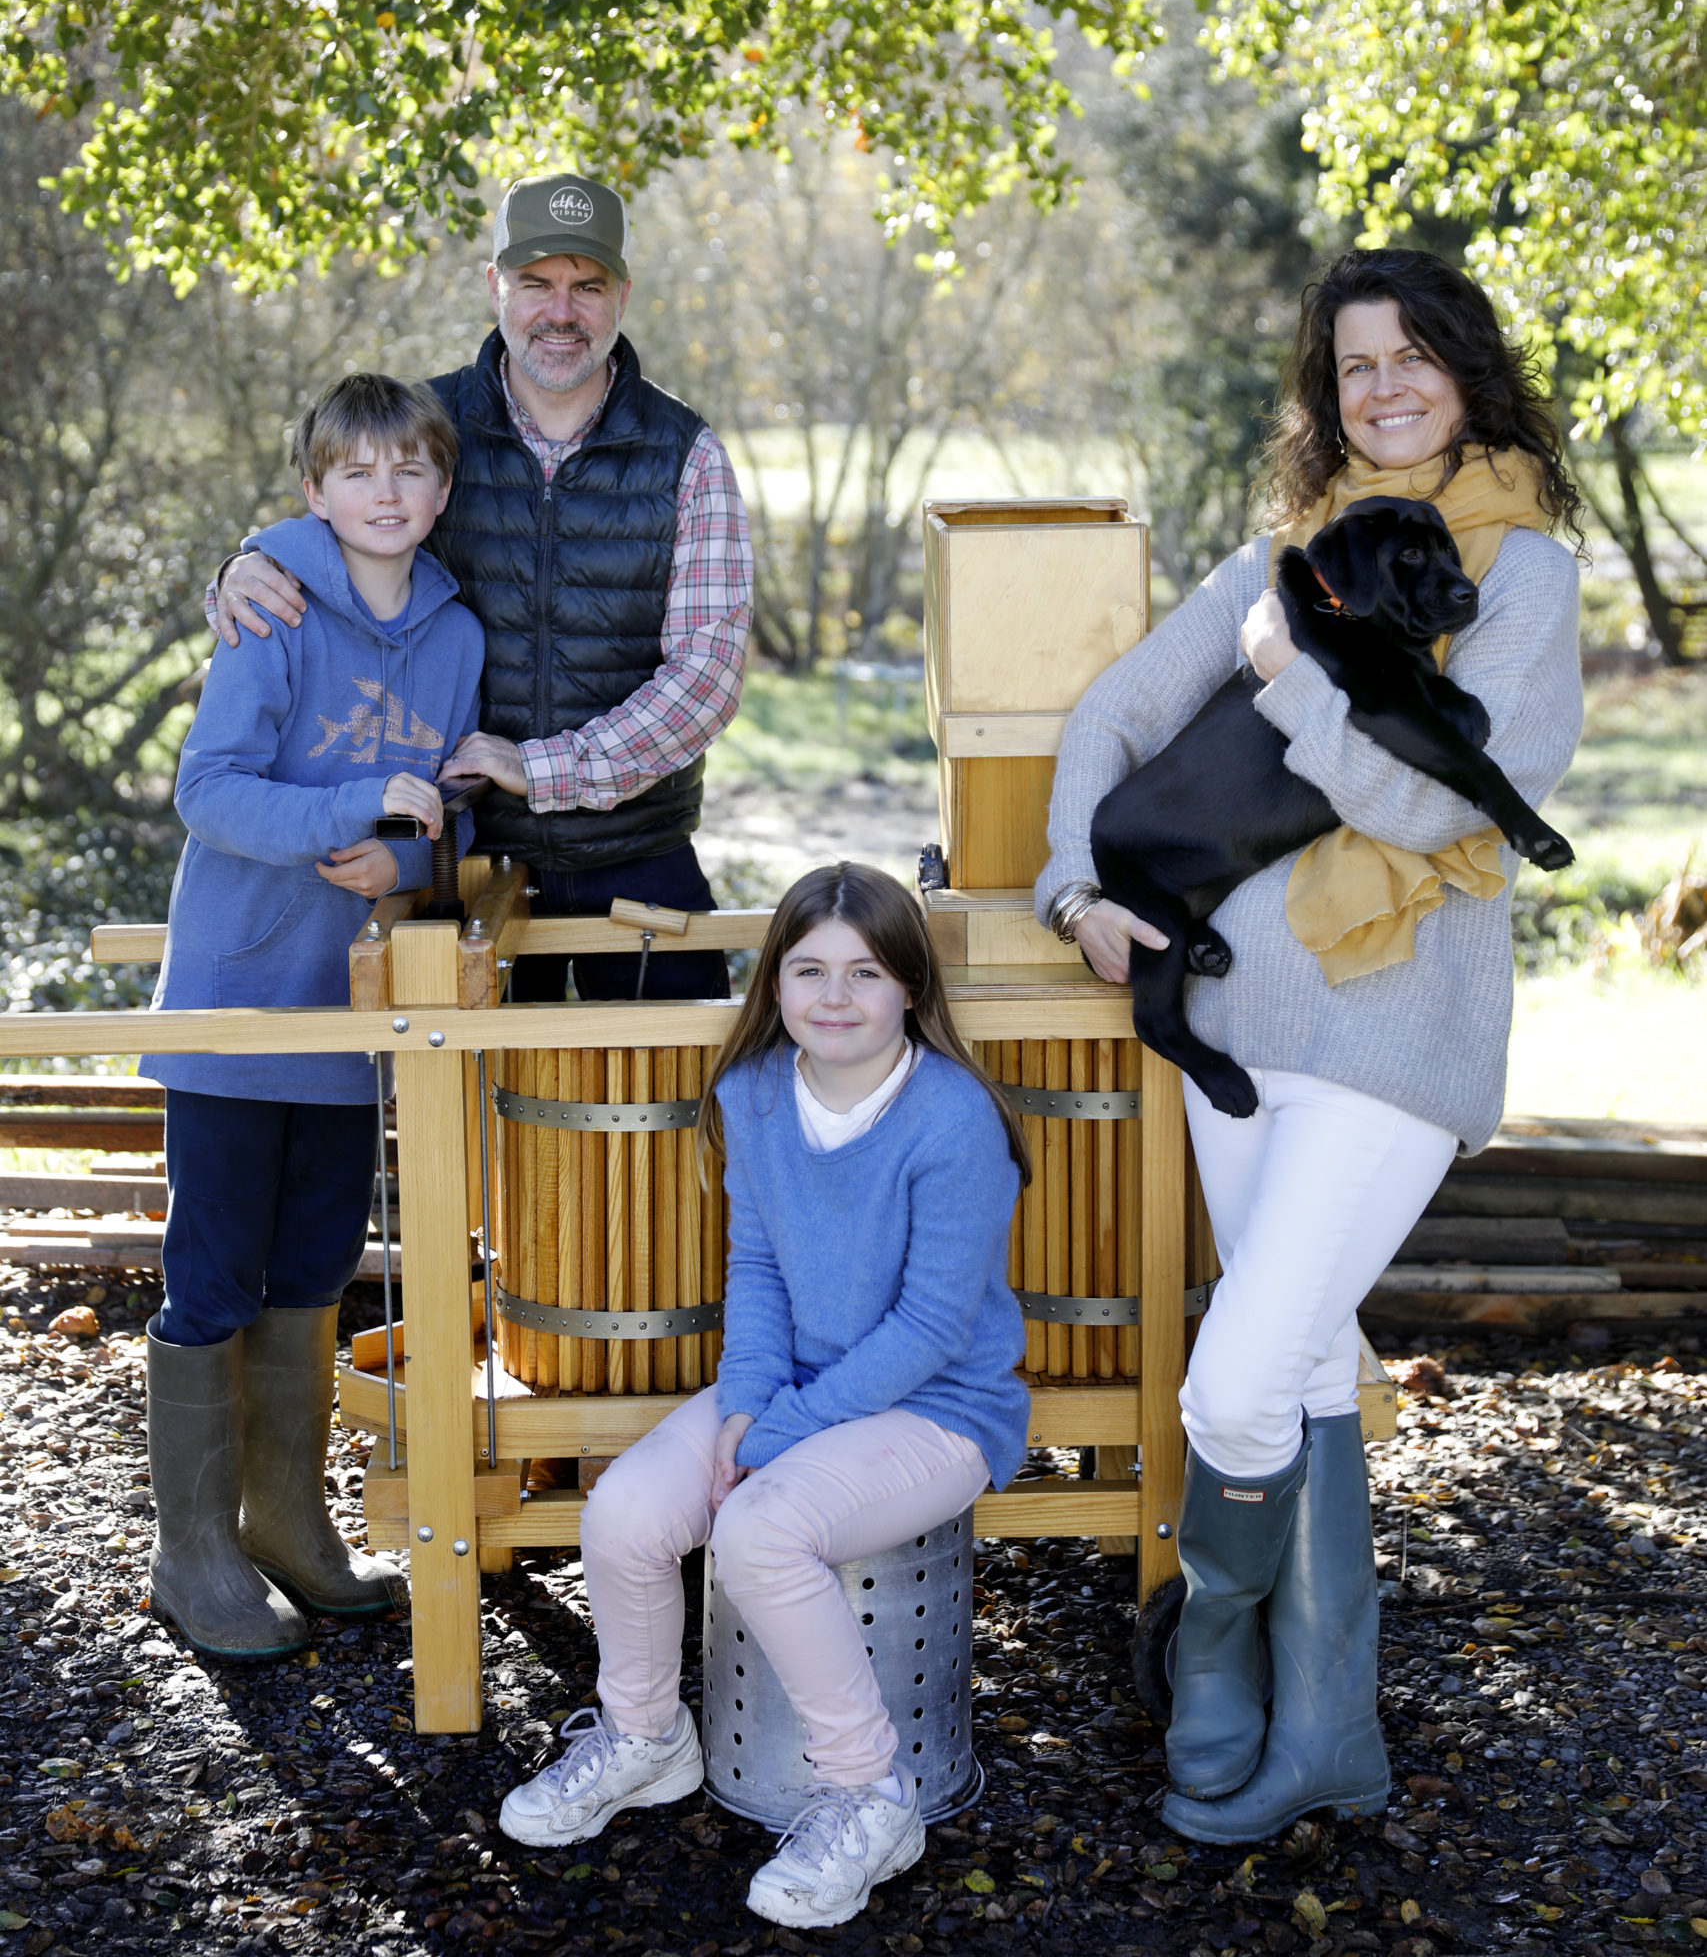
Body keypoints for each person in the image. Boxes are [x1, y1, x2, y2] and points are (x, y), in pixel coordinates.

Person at [1037, 250, 1585, 1844]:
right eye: (1354, 367)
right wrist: (1076, 883)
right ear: (1323, 391)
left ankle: (1208, 1658)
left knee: (1229, 1385)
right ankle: (1327, 1731)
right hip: (1231, 1026)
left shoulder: (1526, 578)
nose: (1384, 389)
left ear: (1466, 374)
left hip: (1394, 1030)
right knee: (1301, 1377)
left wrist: (1289, 689)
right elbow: (1113, 714)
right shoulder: (1284, 556)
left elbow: (1441, 801)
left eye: (1413, 357)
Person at [496, 861, 1031, 1930]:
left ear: (912, 990)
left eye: (866, 973)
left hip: (942, 1407)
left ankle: (872, 1794)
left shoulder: (952, 1119)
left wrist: (776, 1433)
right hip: (791, 1386)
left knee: (760, 1530)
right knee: (627, 1510)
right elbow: (759, 1269)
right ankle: (647, 1737)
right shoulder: (752, 1094)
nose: (836, 996)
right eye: (809, 970)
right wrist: (745, 1404)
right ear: (773, 983)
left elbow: (929, 1330)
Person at [210, 173, 752, 998]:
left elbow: (705, 681)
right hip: (458, 858)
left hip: (639, 849)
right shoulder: (425, 428)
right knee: (480, 1117)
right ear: (494, 284)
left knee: (674, 1109)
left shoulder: (687, 454)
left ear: (622, 297)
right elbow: (333, 547)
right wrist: (244, 564)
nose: (560, 312)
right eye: (535, 283)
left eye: (587, 286)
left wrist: (546, 767)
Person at [141, 374, 485, 1659]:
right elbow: (208, 792)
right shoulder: (271, 603)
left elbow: (433, 822)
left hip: (350, 1021)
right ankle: (194, 1552)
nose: (385, 494)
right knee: (215, 1270)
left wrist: (400, 865)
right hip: (234, 1003)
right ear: (314, 490)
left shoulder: (457, 636)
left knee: (312, 1267)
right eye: (358, 473)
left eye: (409, 472)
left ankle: (287, 1523)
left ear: (441, 492)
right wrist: (350, 809)